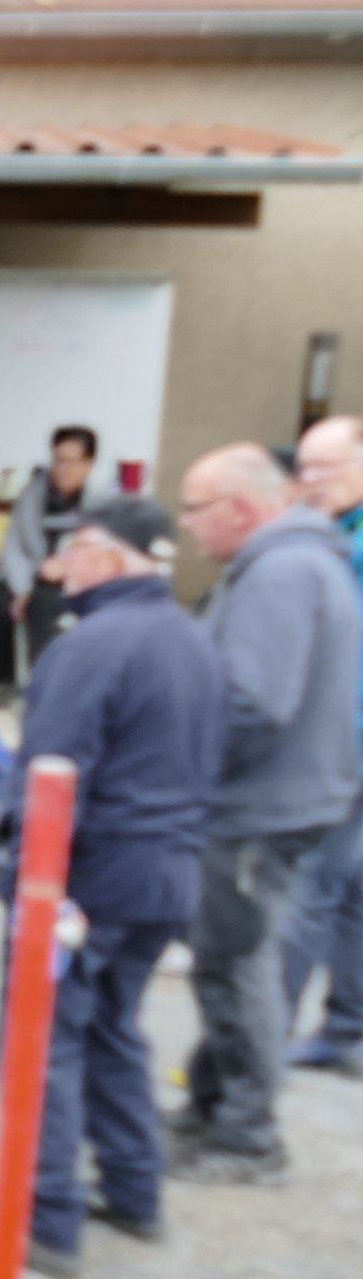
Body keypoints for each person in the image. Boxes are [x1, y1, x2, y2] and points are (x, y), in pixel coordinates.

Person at [0, 499, 222, 1278]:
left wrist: (25, 882)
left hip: (90, 870)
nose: (59, 567)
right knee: (113, 1026)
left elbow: (54, 773)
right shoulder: (193, 637)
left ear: (106, 558)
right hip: (170, 866)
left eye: (72, 551)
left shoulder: (91, 646)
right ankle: (136, 1189)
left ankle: (44, 1218)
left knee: (43, 1039)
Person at [172, 443, 361, 1184]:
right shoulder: (302, 561)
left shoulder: (280, 573)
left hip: (259, 804)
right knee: (234, 954)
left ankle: (248, 1136)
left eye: (194, 509)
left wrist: (182, 770)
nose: (187, 526)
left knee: (238, 961)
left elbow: (252, 705)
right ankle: (216, 1102)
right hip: (286, 795)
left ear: (241, 510)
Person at [283, 415, 363, 1075]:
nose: (310, 482)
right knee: (353, 888)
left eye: (325, 468)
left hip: (348, 742)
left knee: (307, 888)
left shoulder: (344, 544)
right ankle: (347, 1032)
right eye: (303, 467)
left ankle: (254, 1051)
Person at [0, 426, 109, 698]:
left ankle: (44, 689)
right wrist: (21, 590)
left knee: (46, 603)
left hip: (72, 582)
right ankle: (5, 685)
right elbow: (14, 546)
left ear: (89, 464)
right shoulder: (33, 494)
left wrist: (68, 567)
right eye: (57, 460)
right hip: (29, 576)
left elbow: (102, 551)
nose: (62, 468)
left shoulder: (101, 502)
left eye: (71, 461)